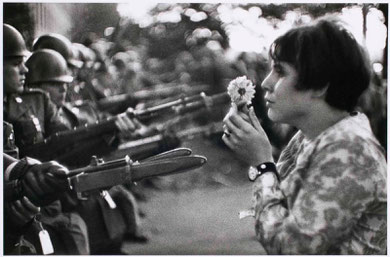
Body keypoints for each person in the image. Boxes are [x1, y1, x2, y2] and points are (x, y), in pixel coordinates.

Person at [222, 18, 386, 254]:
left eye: (280, 71)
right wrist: (258, 154)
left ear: (320, 85)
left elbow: (291, 247)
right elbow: (280, 206)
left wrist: (261, 165)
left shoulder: (349, 148)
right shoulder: (311, 136)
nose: (266, 83)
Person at [3, 23, 90, 255]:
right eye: (15, 63)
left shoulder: (29, 103)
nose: (25, 70)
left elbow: (65, 141)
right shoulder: (20, 105)